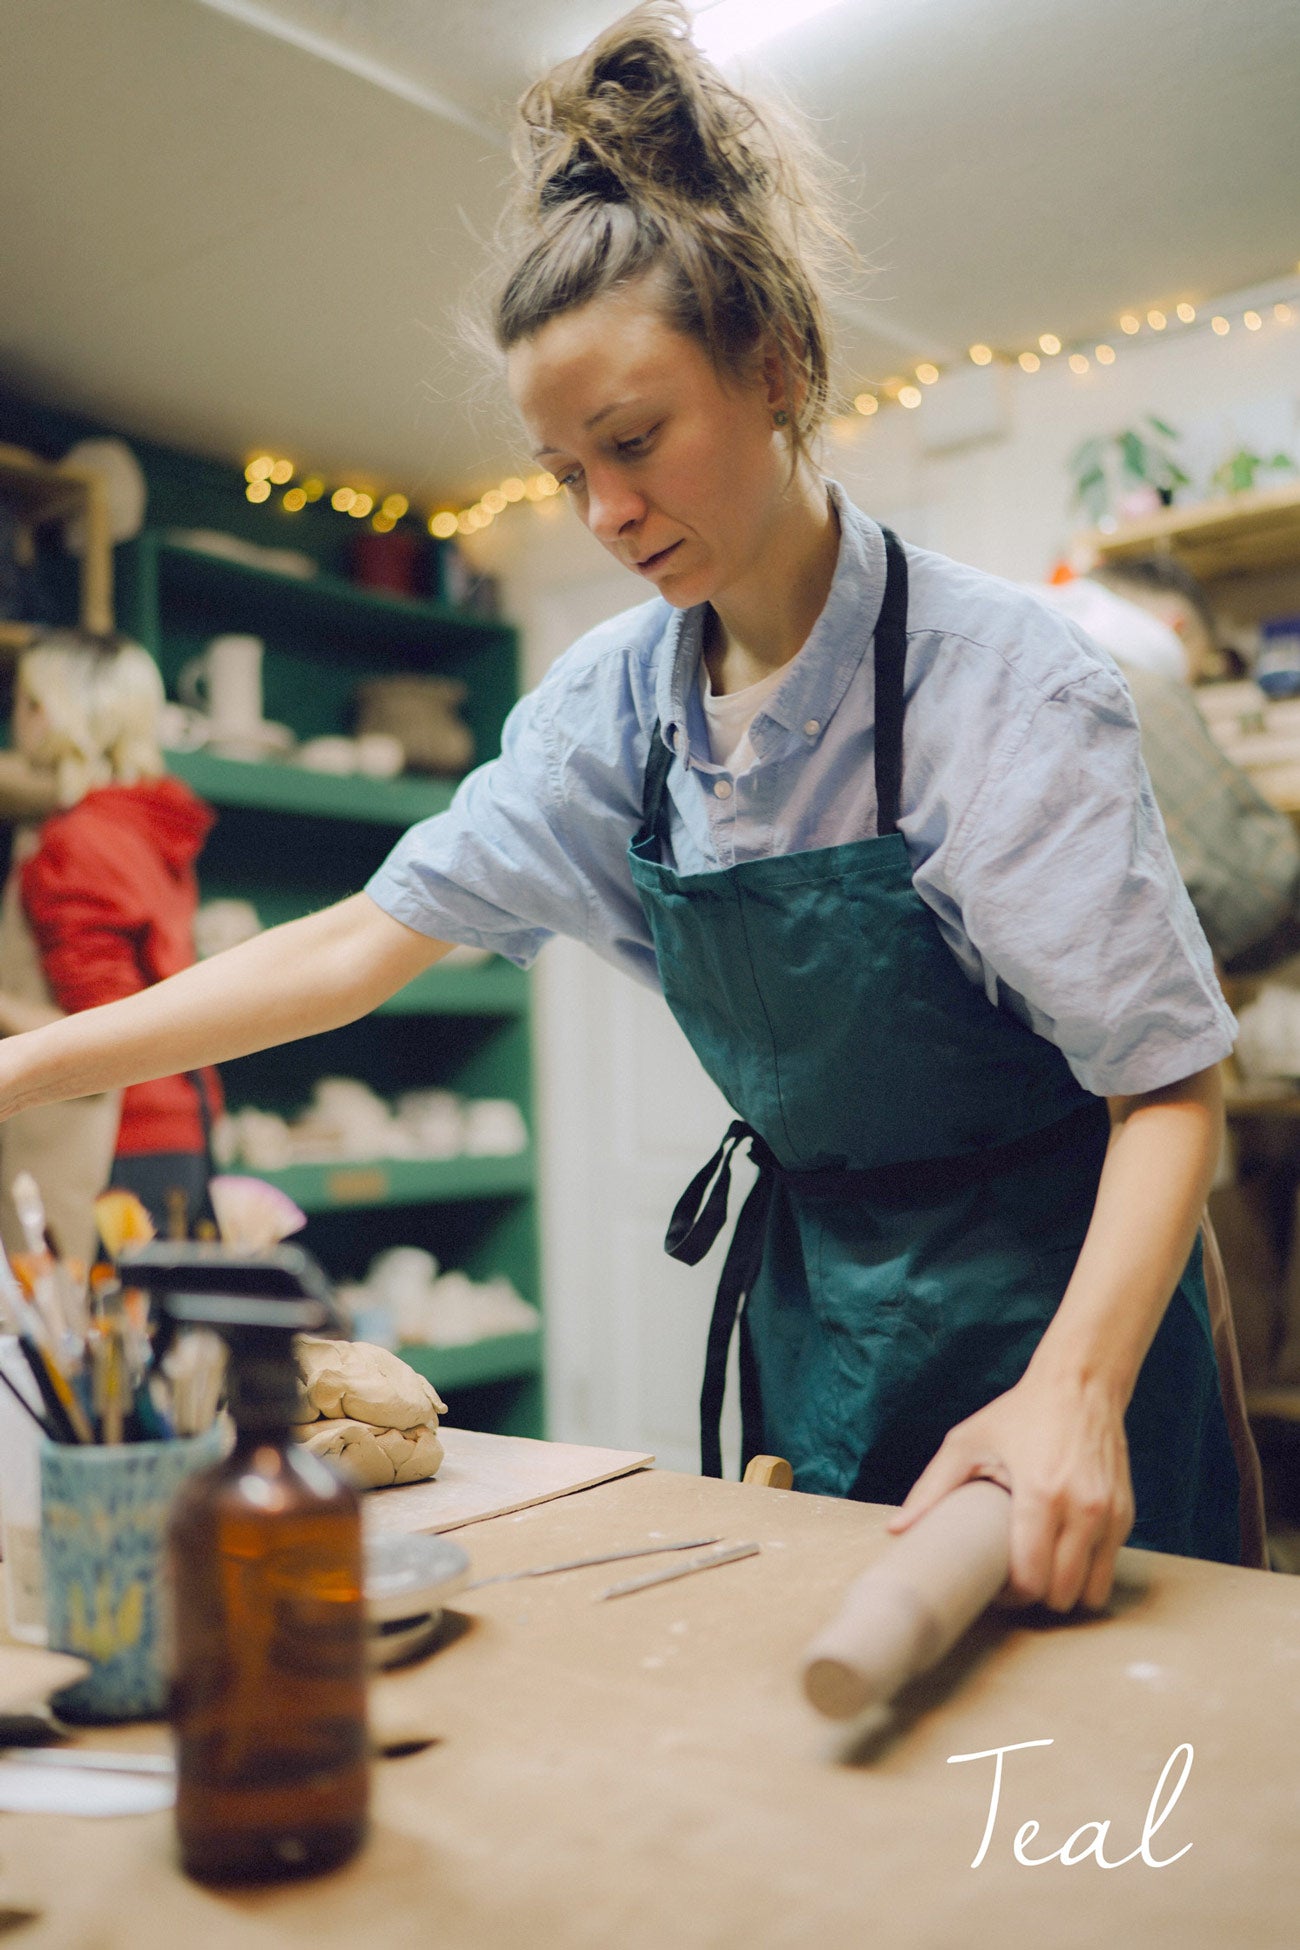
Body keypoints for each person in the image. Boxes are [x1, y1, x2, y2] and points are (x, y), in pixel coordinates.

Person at [0, 3, 1255, 1607]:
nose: (604, 511)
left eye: (636, 441)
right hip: (825, 1312)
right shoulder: (616, 709)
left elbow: (1169, 1085)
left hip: (1068, 1309)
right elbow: (357, 945)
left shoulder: (997, 682)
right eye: (561, 471)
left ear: (777, 364)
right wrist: (23, 1068)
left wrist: (1073, 1391)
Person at [0, 631, 220, 1256]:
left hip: (112, 1150)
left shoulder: (77, 841)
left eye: (24, 702)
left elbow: (104, 1033)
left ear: (51, 714)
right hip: (180, 1127)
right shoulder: (143, 825)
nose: (16, 721)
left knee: (80, 1320)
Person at [1045, 559, 1300, 969]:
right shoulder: (1129, 691)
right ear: (1177, 627)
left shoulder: (1033, 656)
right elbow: (1257, 896)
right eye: (1191, 677)